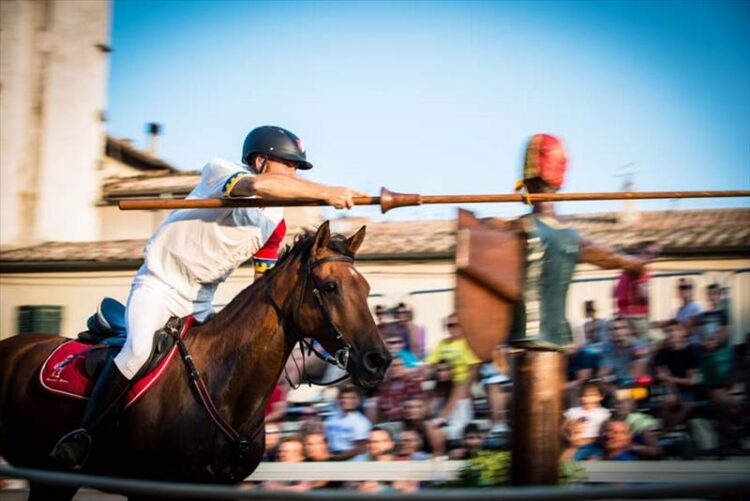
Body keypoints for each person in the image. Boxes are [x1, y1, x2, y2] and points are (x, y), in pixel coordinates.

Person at [50, 126, 365, 469]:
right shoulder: (222, 172)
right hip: (159, 286)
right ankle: (82, 435)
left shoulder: (275, 225)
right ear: (260, 161)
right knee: (138, 351)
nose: (293, 174)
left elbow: (266, 286)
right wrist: (326, 192)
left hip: (201, 302)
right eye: (287, 165)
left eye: (296, 168)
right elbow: (260, 187)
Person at [654, 319, 700, 434]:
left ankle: (663, 433)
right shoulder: (662, 353)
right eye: (668, 331)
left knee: (687, 405)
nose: (671, 334)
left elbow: (692, 381)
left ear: (683, 332)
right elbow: (662, 376)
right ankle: (664, 433)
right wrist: (672, 391)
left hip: (689, 390)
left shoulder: (691, 351)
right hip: (670, 389)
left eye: (674, 330)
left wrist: (670, 379)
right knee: (668, 401)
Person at [613, 241, 660, 340]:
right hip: (636, 316)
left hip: (624, 314)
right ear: (639, 251)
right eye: (648, 253)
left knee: (630, 346)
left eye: (655, 254)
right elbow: (643, 295)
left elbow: (615, 292)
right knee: (643, 346)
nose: (651, 257)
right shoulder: (641, 269)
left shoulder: (626, 267)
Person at [324, 384, 372, 460]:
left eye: (351, 398)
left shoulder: (362, 422)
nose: (345, 401)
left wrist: (337, 458)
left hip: (354, 461)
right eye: (342, 398)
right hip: (333, 457)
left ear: (358, 400)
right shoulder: (331, 419)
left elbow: (361, 448)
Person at [563, 381, 611, 445]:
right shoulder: (573, 412)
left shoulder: (604, 413)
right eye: (584, 395)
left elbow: (606, 431)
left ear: (601, 397)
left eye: (592, 395)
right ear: (579, 397)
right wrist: (570, 439)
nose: (587, 399)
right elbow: (564, 429)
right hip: (576, 444)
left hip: (595, 445)